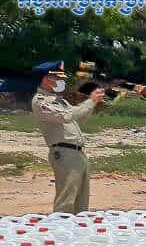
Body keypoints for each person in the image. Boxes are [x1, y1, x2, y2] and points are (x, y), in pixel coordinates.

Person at [30, 60, 105, 213]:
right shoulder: (41, 101)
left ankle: (77, 226)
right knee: (67, 199)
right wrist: (90, 101)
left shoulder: (60, 101)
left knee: (81, 201)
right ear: (46, 79)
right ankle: (61, 226)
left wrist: (93, 103)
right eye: (57, 78)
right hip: (64, 153)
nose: (61, 81)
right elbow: (67, 116)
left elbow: (78, 118)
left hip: (77, 153)